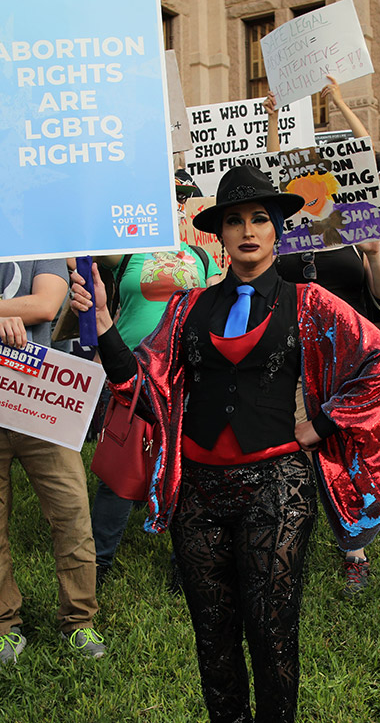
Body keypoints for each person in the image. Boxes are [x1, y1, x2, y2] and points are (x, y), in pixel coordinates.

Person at [72, 164, 380, 722]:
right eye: (235, 221)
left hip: (278, 488)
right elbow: (139, 384)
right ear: (220, 235)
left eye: (259, 219)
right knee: (213, 637)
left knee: (272, 630)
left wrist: (322, 424)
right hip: (198, 494)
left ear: (277, 229)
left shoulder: (310, 302)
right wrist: (104, 322)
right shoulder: (186, 306)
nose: (248, 230)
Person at [0, 239, 105, 667]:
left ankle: (79, 621)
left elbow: (45, 307)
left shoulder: (39, 249)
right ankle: (2, 626)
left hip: (44, 403)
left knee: (72, 516)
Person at [266, 80, 380, 596]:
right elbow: (273, 171)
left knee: (348, 456)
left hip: (346, 364)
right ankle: (286, 543)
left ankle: (353, 551)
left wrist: (372, 253)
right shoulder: (283, 238)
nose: (312, 191)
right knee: (292, 451)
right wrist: (276, 122)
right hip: (294, 361)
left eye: (320, 182)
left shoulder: (356, 230)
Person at [90, 174, 222, 587]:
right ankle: (97, 560)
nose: (175, 207)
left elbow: (220, 307)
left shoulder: (201, 259)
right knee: (123, 461)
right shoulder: (127, 253)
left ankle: (184, 558)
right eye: (165, 200)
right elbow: (88, 250)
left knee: (186, 465)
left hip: (185, 373)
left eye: (180, 201)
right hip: (133, 368)